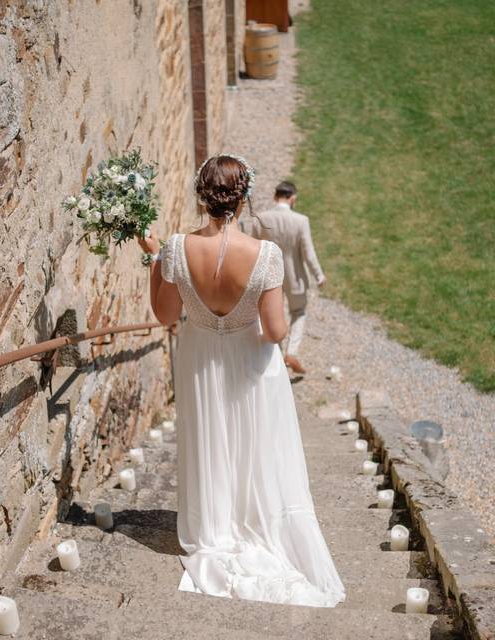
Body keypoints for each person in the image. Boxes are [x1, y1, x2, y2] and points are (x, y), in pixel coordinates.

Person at [137, 155, 345, 608]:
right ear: (244, 198)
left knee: (210, 439)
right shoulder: (264, 255)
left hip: (198, 359)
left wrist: (154, 260)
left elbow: (167, 315)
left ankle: (214, 525)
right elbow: (275, 332)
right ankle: (254, 520)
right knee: (253, 444)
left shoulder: (174, 248)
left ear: (200, 196)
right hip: (251, 360)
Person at [240, 181, 325, 374]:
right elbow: (308, 252)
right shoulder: (301, 220)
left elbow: (253, 249)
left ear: (274, 196)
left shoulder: (261, 218)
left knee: (269, 314)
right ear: (292, 198)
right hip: (294, 277)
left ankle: (275, 354)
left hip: (269, 277)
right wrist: (319, 275)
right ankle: (292, 352)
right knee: (299, 312)